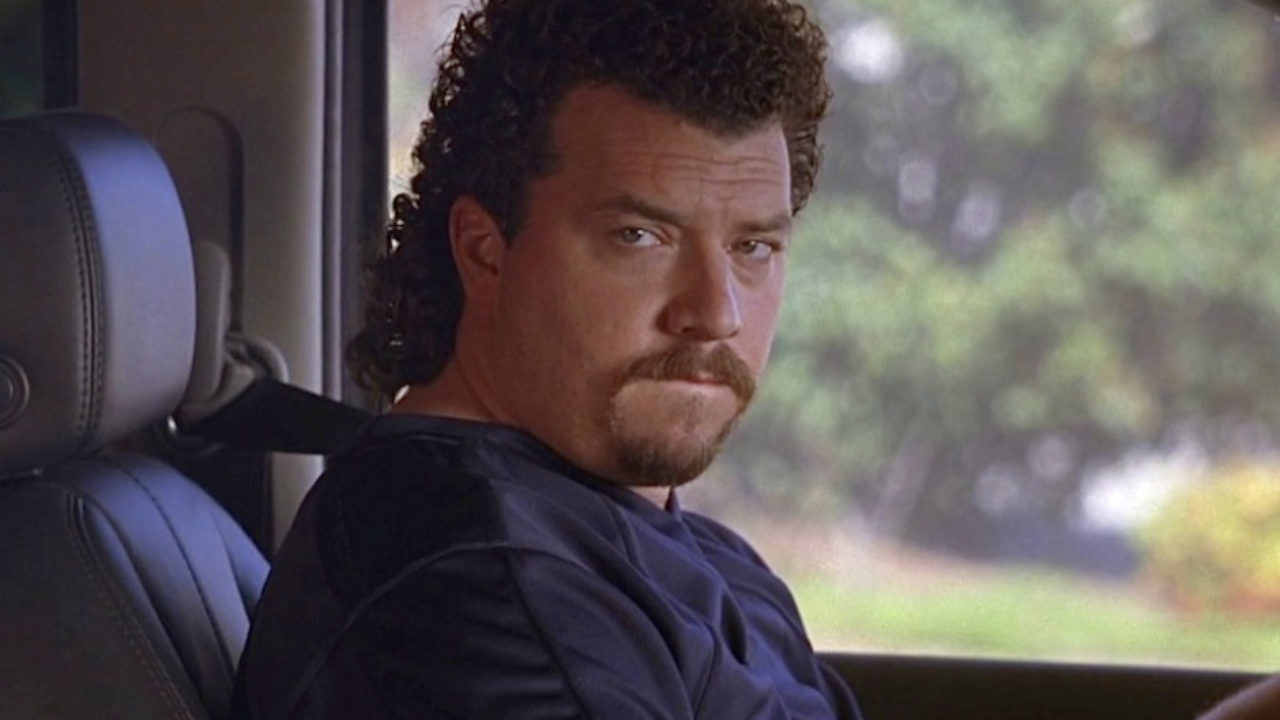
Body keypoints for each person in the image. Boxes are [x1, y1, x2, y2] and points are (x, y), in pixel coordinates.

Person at [234, 0, 859, 718]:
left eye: (753, 247)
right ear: (484, 251)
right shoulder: (477, 579)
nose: (718, 313)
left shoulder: (697, 554)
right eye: (639, 236)